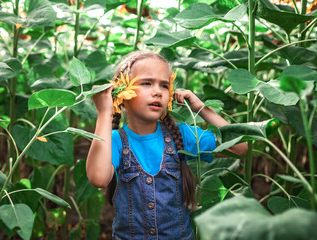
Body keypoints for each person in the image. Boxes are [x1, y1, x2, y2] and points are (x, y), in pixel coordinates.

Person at [86, 51, 247, 239]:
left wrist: (201, 108)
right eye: (146, 83)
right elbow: (98, 178)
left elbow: (240, 147)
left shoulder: (182, 134)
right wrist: (104, 113)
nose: (157, 91)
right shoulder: (115, 140)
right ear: (121, 92)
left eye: (164, 85)